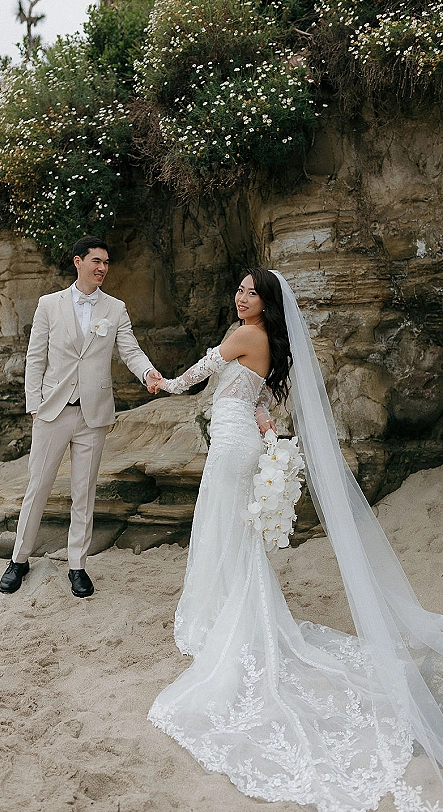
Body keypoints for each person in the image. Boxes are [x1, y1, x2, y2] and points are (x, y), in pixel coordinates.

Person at [148, 269, 443, 810]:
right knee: (234, 535)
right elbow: (258, 401)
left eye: (251, 291)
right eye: (238, 289)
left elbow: (199, 374)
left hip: (230, 448)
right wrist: (270, 437)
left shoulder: (242, 336)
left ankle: (230, 617)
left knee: (220, 529)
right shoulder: (268, 345)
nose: (240, 297)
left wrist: (163, 384)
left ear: (266, 302)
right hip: (245, 442)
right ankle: (235, 608)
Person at [0, 236, 161, 598]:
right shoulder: (48, 304)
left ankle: (77, 566)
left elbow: (130, 350)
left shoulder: (115, 308)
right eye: (96, 261)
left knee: (83, 493)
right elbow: (35, 357)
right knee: (37, 487)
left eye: (106, 262)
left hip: (94, 415)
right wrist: (34, 405)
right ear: (78, 262)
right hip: (52, 412)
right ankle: (19, 560)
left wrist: (148, 373)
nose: (102, 268)